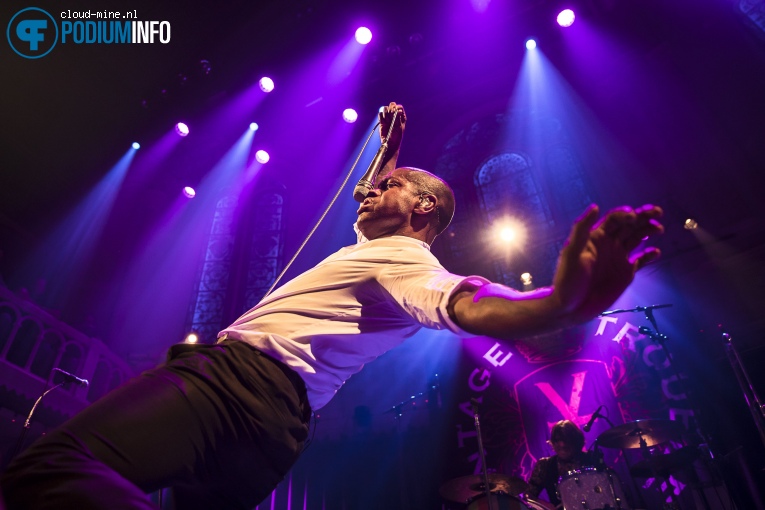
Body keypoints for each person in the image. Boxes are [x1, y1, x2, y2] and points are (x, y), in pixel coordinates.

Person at [0, 103, 663, 509]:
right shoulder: (374, 248)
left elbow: (471, 305)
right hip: (272, 431)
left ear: (424, 208)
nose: (365, 192)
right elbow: (375, 200)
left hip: (233, 386)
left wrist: (560, 302)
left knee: (51, 470)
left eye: (390, 186)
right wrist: (389, 148)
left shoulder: (405, 260)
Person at [525, 420, 605, 507]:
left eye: (566, 440)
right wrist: (547, 506)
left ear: (576, 441)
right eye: (557, 440)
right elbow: (528, 495)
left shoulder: (591, 458)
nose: (562, 444)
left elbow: (608, 489)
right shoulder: (544, 465)